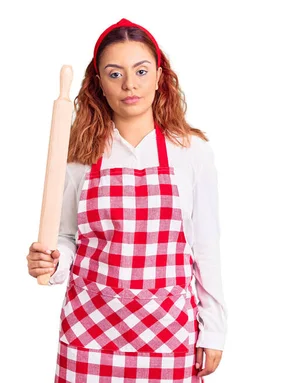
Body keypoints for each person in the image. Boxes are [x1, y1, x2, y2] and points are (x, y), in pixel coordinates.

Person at [25, 18, 227, 382]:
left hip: (167, 331)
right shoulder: (79, 153)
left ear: (160, 76)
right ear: (98, 83)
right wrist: (51, 262)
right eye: (115, 74)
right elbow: (69, 238)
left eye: (140, 71)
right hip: (91, 329)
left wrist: (213, 328)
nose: (130, 84)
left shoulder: (190, 151)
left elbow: (205, 244)